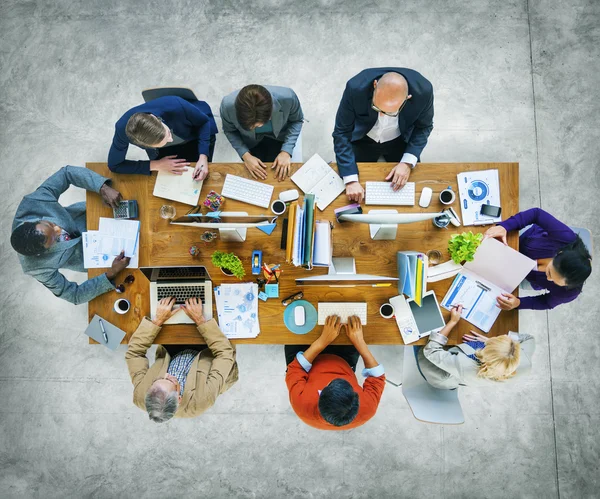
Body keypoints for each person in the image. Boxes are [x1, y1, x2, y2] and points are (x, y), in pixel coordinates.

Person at [10, 166, 131, 305]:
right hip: (101, 258)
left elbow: (66, 174)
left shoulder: (33, 203)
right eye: (55, 239)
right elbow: (74, 295)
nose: (59, 229)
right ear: (40, 254)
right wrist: (111, 273)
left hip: (93, 216)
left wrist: (102, 188)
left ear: (31, 220)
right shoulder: (36, 268)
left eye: (50, 224)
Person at [126, 297, 239, 423]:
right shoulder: (201, 401)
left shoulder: (141, 395)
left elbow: (134, 354)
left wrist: (157, 320)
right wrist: (200, 320)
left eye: (158, 379)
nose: (167, 375)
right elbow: (224, 354)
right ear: (179, 398)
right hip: (211, 354)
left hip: (174, 351)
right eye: (170, 381)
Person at [332, 67, 434, 203]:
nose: (381, 115)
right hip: (363, 138)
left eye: (390, 112)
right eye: (376, 107)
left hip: (400, 139)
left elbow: (424, 127)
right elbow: (341, 132)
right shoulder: (355, 88)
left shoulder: (424, 92)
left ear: (407, 99)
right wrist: (350, 180)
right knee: (348, 193)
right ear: (375, 85)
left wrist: (407, 162)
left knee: (411, 190)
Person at [285, 315, 385, 430]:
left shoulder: (301, 405)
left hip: (305, 361)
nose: (334, 374)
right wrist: (359, 342)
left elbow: (295, 369)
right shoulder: (368, 409)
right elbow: (377, 377)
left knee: (292, 322)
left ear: (320, 397)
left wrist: (323, 341)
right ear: (357, 399)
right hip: (344, 361)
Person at [484, 207, 592, 310]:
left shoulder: (570, 292)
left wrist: (518, 303)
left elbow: (546, 302)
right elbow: (536, 214)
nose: (548, 279)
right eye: (549, 272)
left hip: (519, 273)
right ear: (559, 252)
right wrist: (505, 227)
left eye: (554, 281)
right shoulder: (566, 238)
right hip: (517, 242)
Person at [417, 306, 535, 389]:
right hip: (465, 366)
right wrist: (490, 342)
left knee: (422, 339)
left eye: (494, 340)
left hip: (437, 371)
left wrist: (453, 321)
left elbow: (431, 351)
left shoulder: (466, 366)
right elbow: (529, 338)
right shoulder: (524, 362)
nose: (504, 335)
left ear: (485, 352)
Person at [108, 95, 218, 179]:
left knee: (201, 174)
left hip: (193, 134)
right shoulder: (122, 130)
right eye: (164, 141)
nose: (170, 139)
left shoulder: (175, 104)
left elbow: (204, 122)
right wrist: (156, 165)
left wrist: (203, 157)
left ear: (155, 118)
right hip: (165, 151)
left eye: (168, 134)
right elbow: (115, 165)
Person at [220, 84, 303, 181]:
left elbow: (297, 121)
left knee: (281, 175)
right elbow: (230, 130)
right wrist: (246, 155)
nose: (259, 127)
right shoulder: (227, 106)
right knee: (255, 176)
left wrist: (286, 151)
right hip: (250, 141)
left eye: (261, 123)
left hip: (280, 136)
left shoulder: (289, 98)